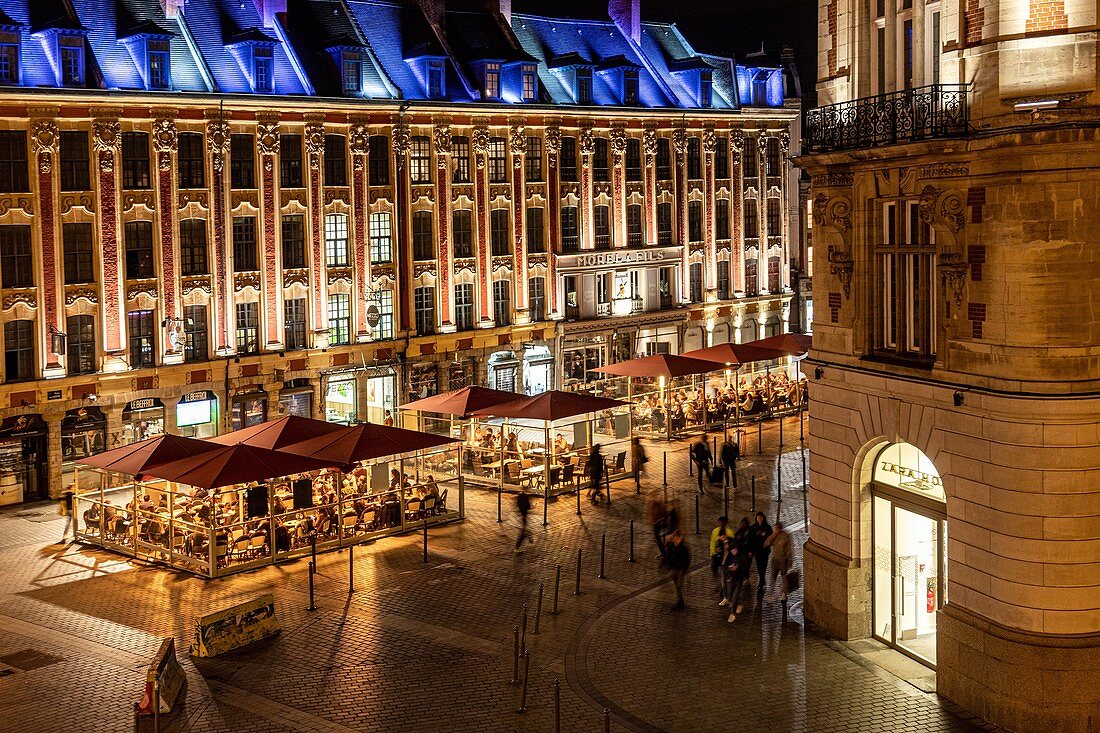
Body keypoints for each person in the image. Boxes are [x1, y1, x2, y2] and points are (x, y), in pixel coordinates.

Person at [721, 540, 752, 622]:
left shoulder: (741, 557)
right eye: (732, 550)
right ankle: (739, 604)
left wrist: (738, 568)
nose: (733, 552)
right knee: (730, 596)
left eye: (734, 550)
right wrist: (729, 568)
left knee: (735, 596)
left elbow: (745, 568)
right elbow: (725, 565)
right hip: (731, 579)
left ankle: (733, 614)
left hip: (739, 579)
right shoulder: (730, 556)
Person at [765, 521, 794, 602]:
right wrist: (774, 535)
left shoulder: (786, 536)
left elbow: (789, 549)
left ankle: (784, 593)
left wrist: (790, 560)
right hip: (775, 560)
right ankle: (771, 592)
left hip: (783, 560)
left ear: (780, 528)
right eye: (775, 528)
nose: (776, 529)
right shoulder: (773, 536)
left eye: (777, 528)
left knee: (784, 577)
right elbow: (766, 544)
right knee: (773, 576)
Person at [747, 511, 773, 596]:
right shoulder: (753, 528)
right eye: (758, 518)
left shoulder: (767, 528)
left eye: (761, 518)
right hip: (757, 551)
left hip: (765, 551)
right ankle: (762, 581)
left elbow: (771, 538)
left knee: (764, 566)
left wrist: (765, 535)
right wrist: (750, 550)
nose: (759, 519)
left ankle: (761, 582)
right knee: (759, 567)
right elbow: (750, 539)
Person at [664, 529, 690, 610]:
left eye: (676, 537)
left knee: (678, 585)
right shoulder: (671, 546)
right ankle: (680, 601)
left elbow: (687, 560)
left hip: (681, 568)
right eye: (674, 537)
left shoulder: (683, 548)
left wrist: (684, 568)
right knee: (677, 586)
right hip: (674, 568)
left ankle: (680, 602)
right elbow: (667, 554)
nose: (675, 538)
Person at [708, 515, 734, 593]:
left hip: (725, 557)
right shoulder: (715, 531)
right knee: (713, 569)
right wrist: (713, 552)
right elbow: (712, 543)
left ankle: (723, 589)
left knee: (724, 574)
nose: (721, 523)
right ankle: (722, 585)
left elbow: (732, 544)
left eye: (723, 522)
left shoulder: (729, 532)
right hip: (716, 555)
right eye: (720, 522)